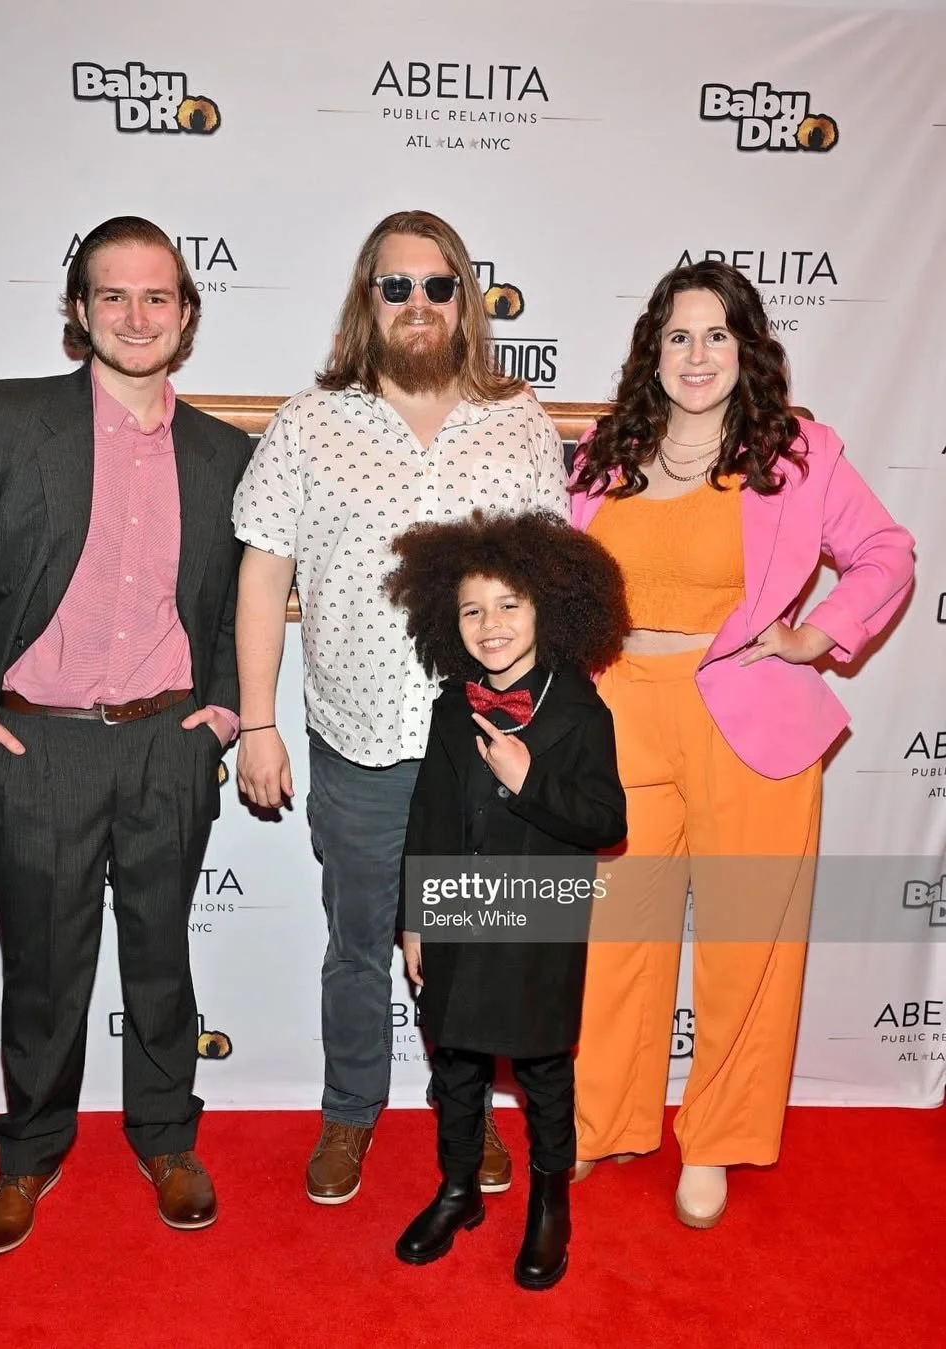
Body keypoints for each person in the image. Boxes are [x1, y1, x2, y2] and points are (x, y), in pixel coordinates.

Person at [0, 216, 252, 1254]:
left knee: (160, 959)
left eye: (158, 296)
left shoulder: (226, 451)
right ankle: (27, 1153)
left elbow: (247, 598)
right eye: (114, 296)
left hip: (167, 742)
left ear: (186, 314)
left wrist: (224, 716)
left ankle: (166, 1136)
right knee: (46, 966)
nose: (136, 315)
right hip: (39, 744)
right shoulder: (6, 421)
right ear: (79, 311)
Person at [232, 210, 568, 1204]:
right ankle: (348, 1113)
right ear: (366, 301)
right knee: (357, 942)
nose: (417, 304)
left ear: (465, 299)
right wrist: (258, 721)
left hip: (485, 743)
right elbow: (261, 576)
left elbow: (549, 587)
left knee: (476, 942)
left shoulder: (519, 418)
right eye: (396, 286)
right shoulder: (310, 420)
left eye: (438, 285)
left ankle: (473, 1113)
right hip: (358, 746)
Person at [570, 259, 915, 1228]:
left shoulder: (795, 451)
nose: (697, 353)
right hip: (622, 710)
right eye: (679, 334)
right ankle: (602, 1119)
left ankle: (714, 1139)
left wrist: (821, 632)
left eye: (717, 334)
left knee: (744, 941)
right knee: (615, 936)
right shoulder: (603, 452)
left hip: (751, 717)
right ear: (654, 349)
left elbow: (886, 552)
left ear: (747, 347)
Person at [383, 509, 627, 1289]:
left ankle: (551, 1202)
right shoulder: (451, 707)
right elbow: (426, 812)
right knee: (454, 1061)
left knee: (545, 1069)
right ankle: (459, 1190)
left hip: (540, 918)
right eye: (472, 609)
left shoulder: (583, 710)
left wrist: (531, 783)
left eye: (509, 604)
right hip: (456, 909)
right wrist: (414, 917)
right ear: (449, 622)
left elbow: (606, 820)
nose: (491, 625)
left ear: (548, 607)